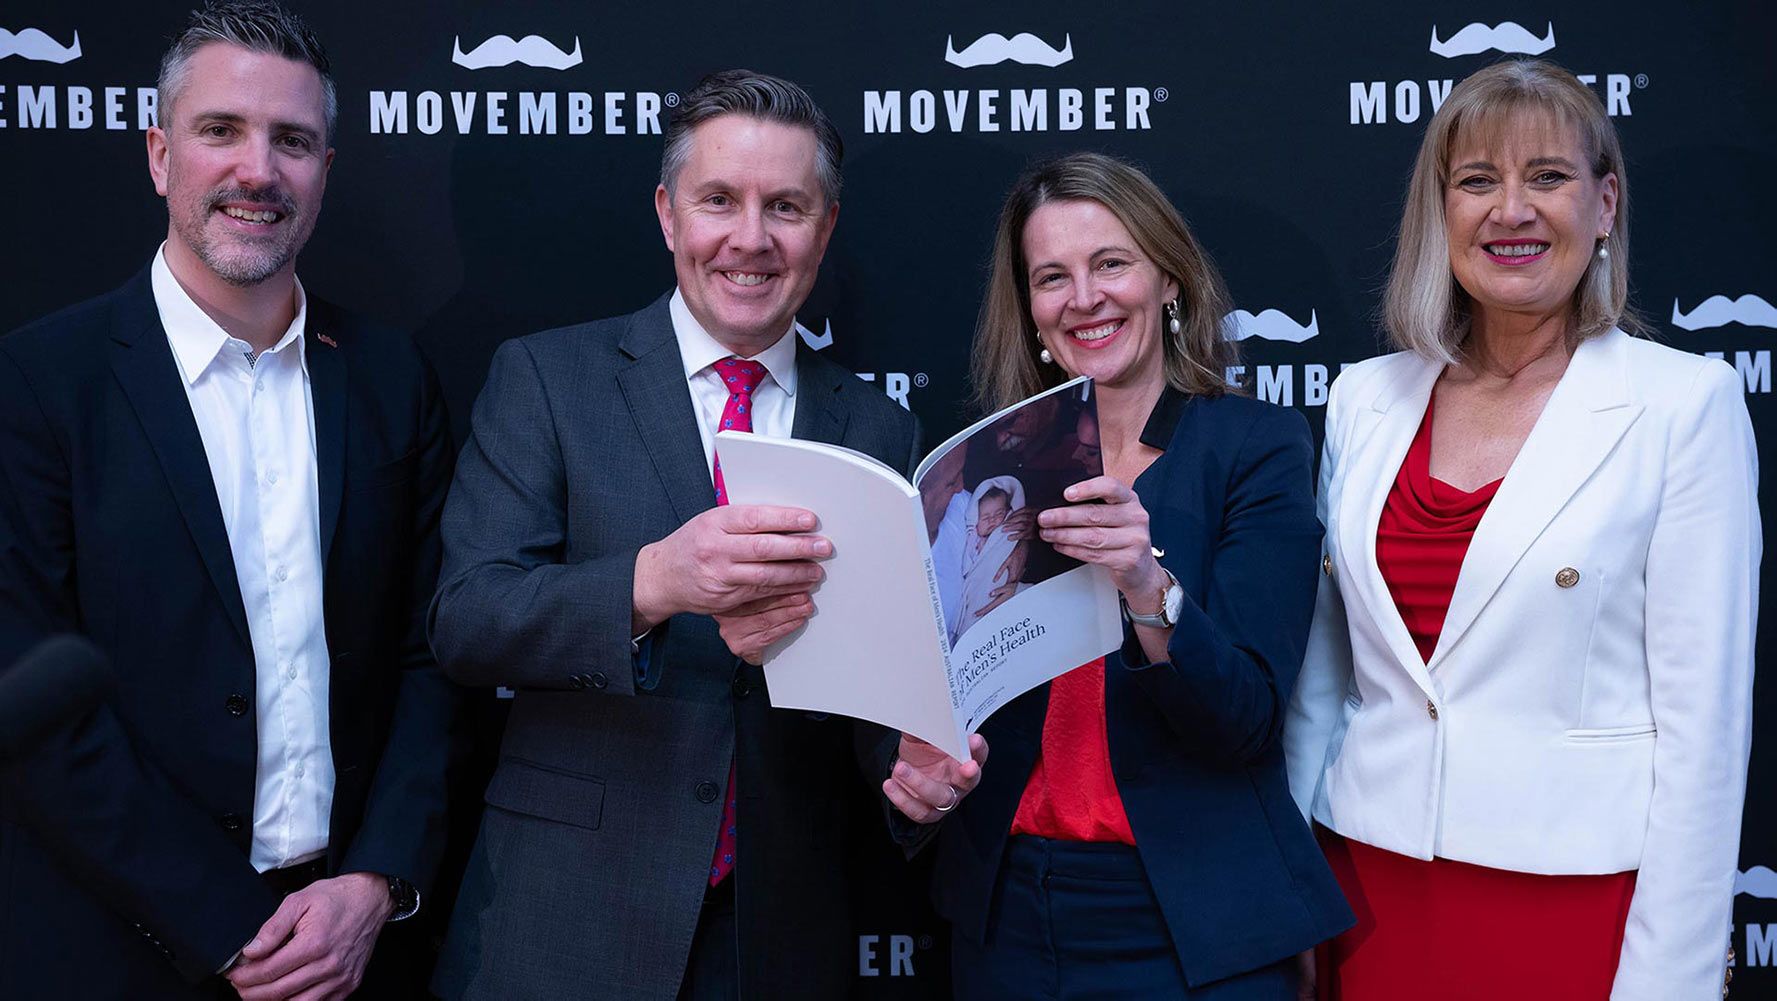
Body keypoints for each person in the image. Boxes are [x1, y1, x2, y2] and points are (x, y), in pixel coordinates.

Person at [427, 70, 964, 1001]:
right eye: (719, 200)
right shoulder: (549, 380)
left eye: (785, 206)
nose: (749, 239)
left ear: (825, 228)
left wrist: (908, 769)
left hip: (781, 936)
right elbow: (469, 619)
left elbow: (875, 686)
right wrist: (654, 581)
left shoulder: (878, 429)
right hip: (566, 922)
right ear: (670, 215)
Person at [0, 3, 459, 998]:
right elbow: (32, 703)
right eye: (222, 132)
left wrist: (376, 880)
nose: (259, 170)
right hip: (114, 946)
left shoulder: (390, 376)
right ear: (161, 156)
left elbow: (435, 655)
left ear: (325, 173)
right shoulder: (38, 383)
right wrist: (226, 922)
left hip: (353, 950)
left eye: (291, 140)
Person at [1283, 59, 1757, 1001]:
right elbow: (1321, 683)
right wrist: (1288, 894)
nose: (1510, 209)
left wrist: (1670, 981)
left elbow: (1705, 736)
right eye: (1476, 181)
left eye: (1546, 176)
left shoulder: (1683, 406)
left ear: (1604, 202)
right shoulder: (1363, 400)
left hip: (1571, 903)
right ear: (1440, 211)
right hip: (1364, 888)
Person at [883, 151, 1352, 999]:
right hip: (1009, 919)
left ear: (1169, 280)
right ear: (1029, 309)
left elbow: (1245, 720)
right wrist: (918, 768)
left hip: (1196, 926)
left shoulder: (1254, 446)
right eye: (1052, 277)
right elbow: (935, 691)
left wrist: (1148, 584)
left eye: (1111, 264)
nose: (1085, 298)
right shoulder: (985, 467)